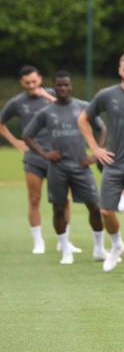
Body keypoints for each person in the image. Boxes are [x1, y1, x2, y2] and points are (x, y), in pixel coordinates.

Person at [23, 71, 108, 265]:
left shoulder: (83, 107)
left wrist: (96, 152)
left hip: (81, 166)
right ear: (53, 86)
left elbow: (102, 128)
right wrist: (44, 154)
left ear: (71, 87)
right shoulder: (46, 112)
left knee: (95, 206)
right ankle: (66, 250)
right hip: (57, 168)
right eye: (59, 85)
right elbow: (27, 135)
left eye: (66, 85)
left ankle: (99, 248)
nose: (62, 89)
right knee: (59, 208)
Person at [0, 66, 83, 254]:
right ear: (22, 83)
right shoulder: (17, 102)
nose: (31, 85)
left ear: (40, 79)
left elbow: (73, 111)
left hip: (59, 157)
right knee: (35, 198)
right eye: (27, 83)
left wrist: (47, 97)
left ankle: (64, 242)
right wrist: (16, 142)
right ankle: (38, 242)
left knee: (63, 201)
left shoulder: (56, 94)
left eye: (34, 81)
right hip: (34, 158)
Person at [78, 53, 124, 275]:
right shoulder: (107, 95)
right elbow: (83, 119)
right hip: (113, 164)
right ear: (120, 71)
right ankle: (117, 245)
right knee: (106, 211)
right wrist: (95, 148)